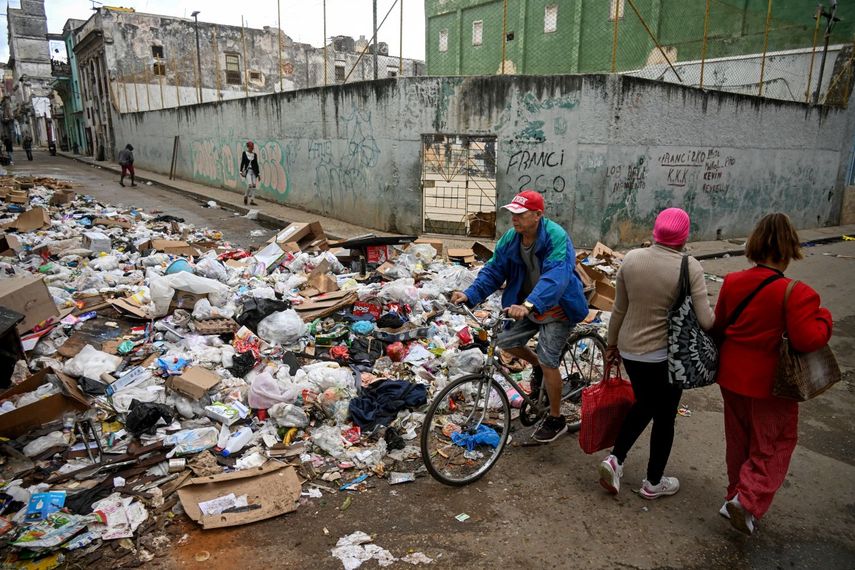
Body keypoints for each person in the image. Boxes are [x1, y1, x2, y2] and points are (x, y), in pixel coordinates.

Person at [712, 212, 832, 536]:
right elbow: (808, 339)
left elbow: (719, 325)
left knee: (738, 440)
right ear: (789, 247)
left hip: (731, 377)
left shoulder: (733, 282)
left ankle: (734, 495)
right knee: (775, 441)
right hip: (770, 384)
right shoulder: (797, 293)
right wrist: (824, 319)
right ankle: (746, 500)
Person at [450, 190, 589, 443]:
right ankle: (537, 367)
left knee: (549, 360)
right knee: (506, 341)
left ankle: (556, 419)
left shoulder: (556, 237)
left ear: (537, 215)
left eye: (521, 214)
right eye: (512, 213)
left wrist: (530, 304)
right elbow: (494, 270)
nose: (514, 218)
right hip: (525, 305)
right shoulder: (510, 239)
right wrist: (469, 295)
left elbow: (556, 277)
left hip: (558, 307)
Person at [598, 207, 714, 499]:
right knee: (664, 415)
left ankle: (616, 460)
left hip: (630, 350)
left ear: (656, 231)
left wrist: (611, 345)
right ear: (684, 236)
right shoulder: (689, 266)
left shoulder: (632, 259)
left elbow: (619, 309)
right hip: (666, 357)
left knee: (646, 403)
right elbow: (706, 321)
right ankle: (652, 481)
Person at [240, 141, 260, 205]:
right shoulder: (244, 153)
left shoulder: (255, 155)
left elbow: (256, 164)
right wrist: (241, 171)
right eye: (251, 147)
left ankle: (252, 200)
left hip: (254, 172)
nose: (252, 148)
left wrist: (258, 174)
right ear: (248, 147)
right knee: (250, 185)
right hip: (248, 171)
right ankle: (245, 196)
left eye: (252, 147)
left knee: (254, 185)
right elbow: (242, 162)